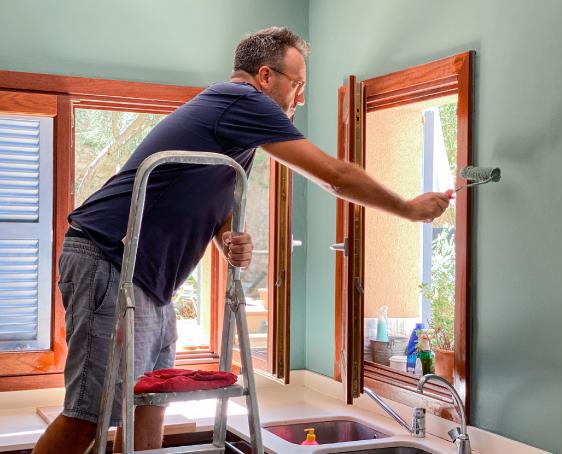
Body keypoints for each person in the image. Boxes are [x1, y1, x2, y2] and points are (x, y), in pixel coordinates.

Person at [32, 26, 450, 453]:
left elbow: (211, 194)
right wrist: (408, 209)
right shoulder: (244, 100)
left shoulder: (234, 119)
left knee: (149, 402)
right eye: (297, 84)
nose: (300, 98)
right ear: (265, 77)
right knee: (90, 415)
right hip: (110, 257)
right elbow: (336, 178)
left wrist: (227, 235)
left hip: (150, 279)